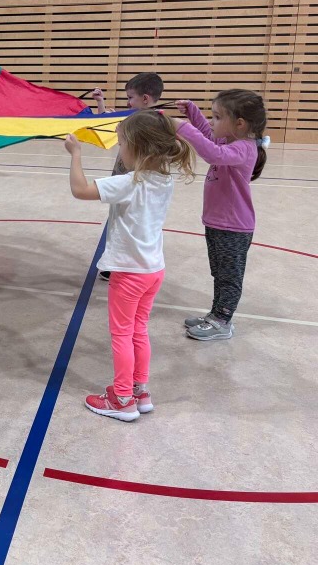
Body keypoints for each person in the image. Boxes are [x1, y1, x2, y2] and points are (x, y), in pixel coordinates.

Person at [65, 110, 195, 421]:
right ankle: (140, 391)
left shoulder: (129, 182)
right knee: (138, 330)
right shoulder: (164, 180)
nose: (119, 149)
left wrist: (76, 154)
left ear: (136, 147)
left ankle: (122, 398)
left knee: (121, 334)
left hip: (129, 272)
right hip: (153, 270)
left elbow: (80, 190)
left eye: (122, 143)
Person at [175, 90, 267, 341]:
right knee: (219, 273)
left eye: (217, 117)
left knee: (229, 277)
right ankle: (216, 314)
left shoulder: (244, 148)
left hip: (233, 227)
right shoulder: (230, 141)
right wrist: (192, 113)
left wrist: (182, 128)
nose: (212, 121)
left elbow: (212, 153)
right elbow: (209, 137)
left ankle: (222, 321)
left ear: (240, 124)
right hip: (217, 223)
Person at [92, 72, 165, 281]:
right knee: (116, 223)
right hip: (122, 182)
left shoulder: (152, 123)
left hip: (136, 185)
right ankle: (114, 264)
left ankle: (127, 265)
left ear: (145, 98)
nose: (128, 102)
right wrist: (100, 103)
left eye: (131, 97)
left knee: (130, 225)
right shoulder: (134, 117)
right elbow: (106, 122)